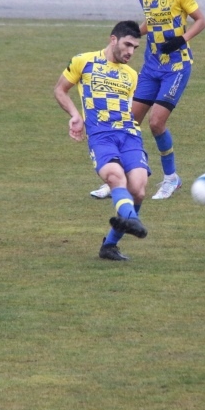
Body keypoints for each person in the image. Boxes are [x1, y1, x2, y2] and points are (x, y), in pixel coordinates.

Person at [90, 0, 205, 201]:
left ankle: (171, 178)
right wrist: (133, 32)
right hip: (151, 66)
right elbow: (151, 22)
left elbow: (201, 20)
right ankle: (117, 180)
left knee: (156, 123)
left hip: (176, 67)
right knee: (128, 122)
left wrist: (181, 40)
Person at [55, 20, 151, 261]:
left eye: (135, 48)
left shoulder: (132, 75)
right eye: (127, 45)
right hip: (101, 135)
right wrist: (76, 115)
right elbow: (60, 89)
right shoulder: (84, 61)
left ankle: (109, 246)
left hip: (129, 135)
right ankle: (133, 220)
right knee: (115, 176)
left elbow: (128, 109)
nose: (131, 51)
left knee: (138, 189)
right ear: (113, 40)